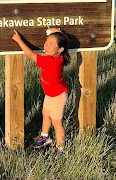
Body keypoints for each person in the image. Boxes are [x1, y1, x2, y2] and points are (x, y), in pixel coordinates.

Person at [12, 26, 71, 155]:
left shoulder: (50, 61)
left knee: (57, 122)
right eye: (46, 43)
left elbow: (30, 54)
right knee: (45, 113)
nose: (46, 46)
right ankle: (45, 137)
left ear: (60, 49)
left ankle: (60, 148)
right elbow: (63, 42)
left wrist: (19, 40)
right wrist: (57, 31)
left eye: (51, 44)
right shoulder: (60, 54)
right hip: (50, 93)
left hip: (58, 95)